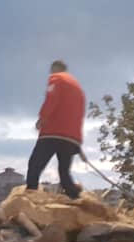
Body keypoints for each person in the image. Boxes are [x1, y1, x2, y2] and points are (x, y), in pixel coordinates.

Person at [26, 60, 85, 200]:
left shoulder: (56, 78)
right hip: (71, 137)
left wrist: (42, 119)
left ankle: (30, 195)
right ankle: (76, 198)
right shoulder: (77, 87)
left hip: (53, 132)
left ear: (55, 69)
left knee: (35, 165)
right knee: (64, 172)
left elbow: (52, 99)